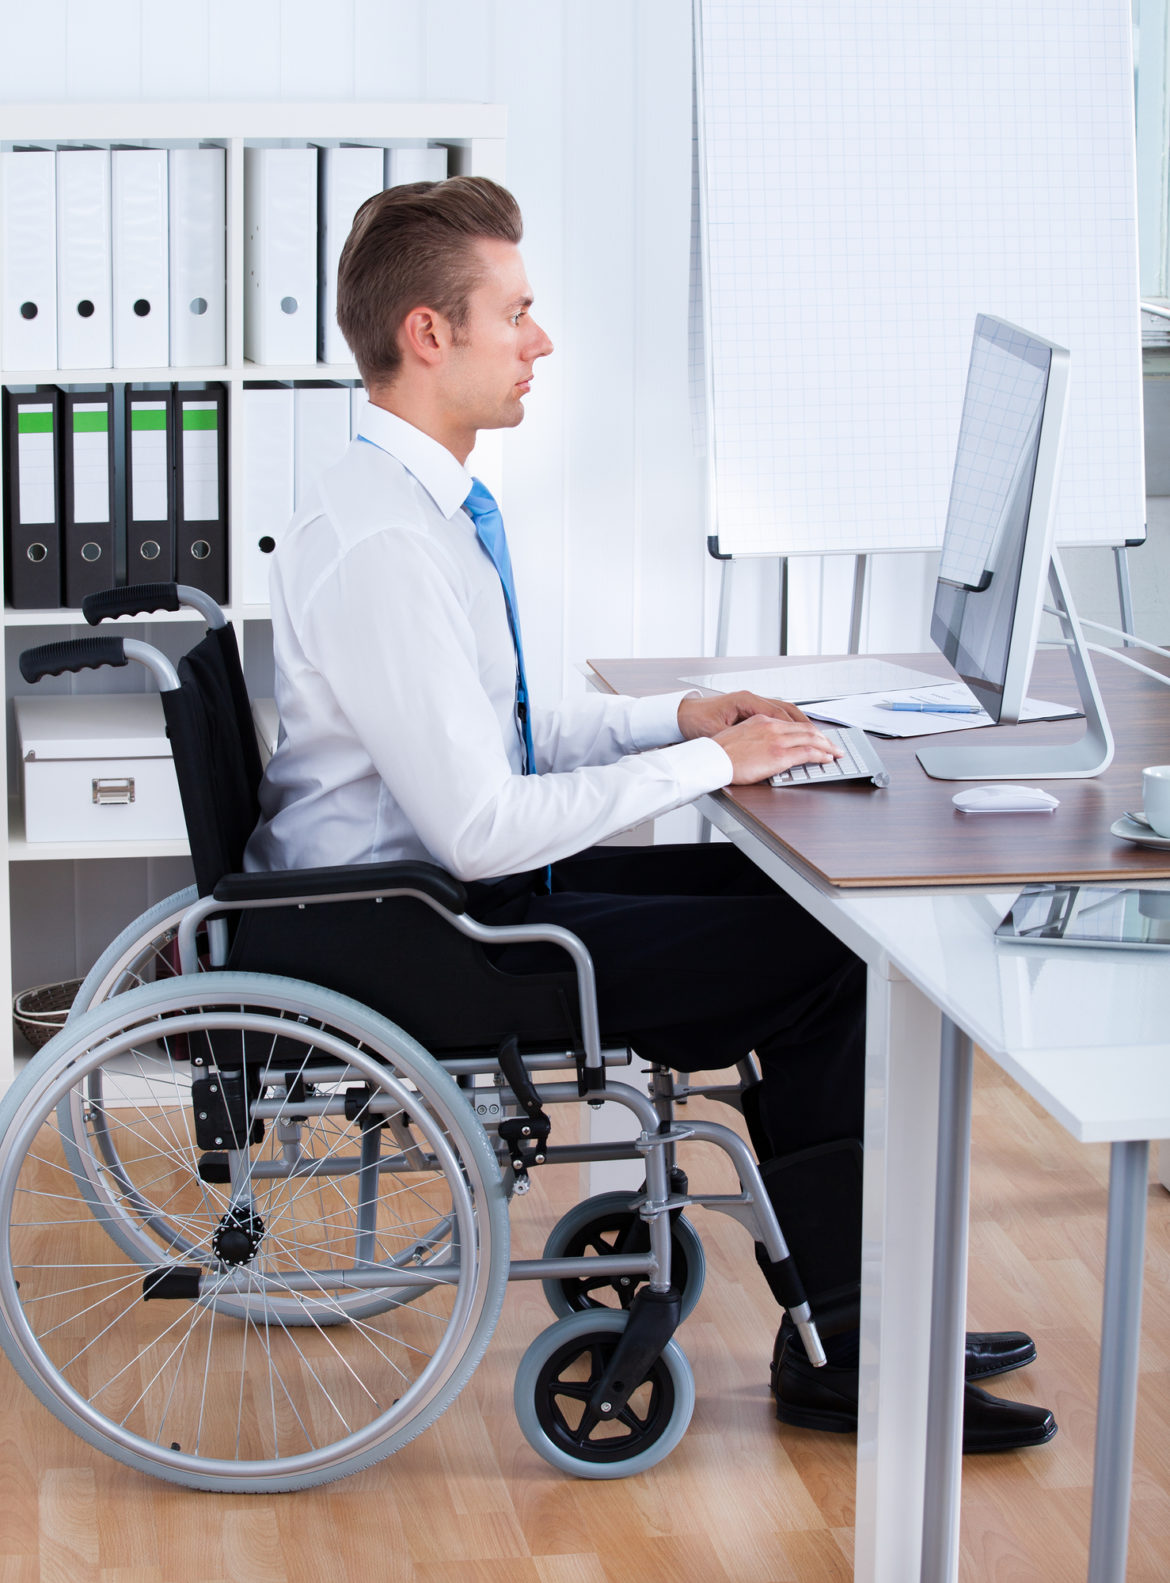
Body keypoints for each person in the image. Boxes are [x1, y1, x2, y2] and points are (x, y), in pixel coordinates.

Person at [243, 175, 1054, 1452]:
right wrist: (709, 771)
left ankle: (858, 1319)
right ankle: (847, 1347)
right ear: (429, 334)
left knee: (807, 913)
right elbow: (481, 825)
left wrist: (679, 723)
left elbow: (499, 738)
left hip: (449, 903)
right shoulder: (387, 547)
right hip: (430, 935)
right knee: (826, 961)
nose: (543, 341)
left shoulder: (415, 508)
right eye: (518, 313)